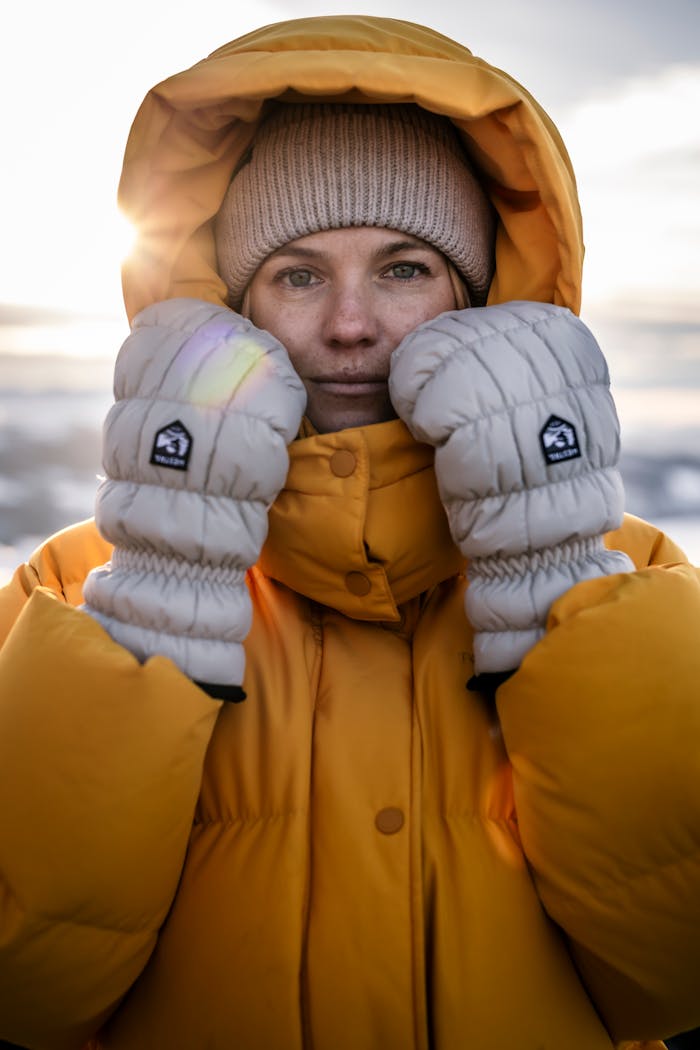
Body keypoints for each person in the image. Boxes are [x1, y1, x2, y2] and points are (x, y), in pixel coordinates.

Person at [0, 14, 699, 1050]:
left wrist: (549, 578)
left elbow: (673, 973)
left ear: (479, 295)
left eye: (405, 267)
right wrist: (161, 593)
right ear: (231, 313)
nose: (350, 325)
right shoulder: (75, 587)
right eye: (296, 274)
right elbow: (29, 989)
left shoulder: (625, 575)